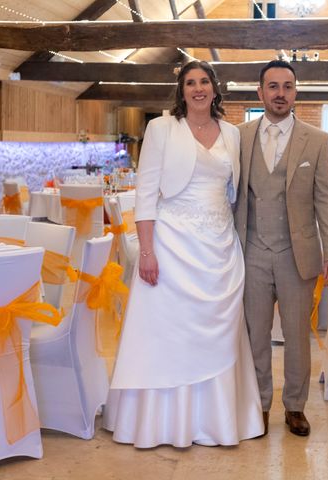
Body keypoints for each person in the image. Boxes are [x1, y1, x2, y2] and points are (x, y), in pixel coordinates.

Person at [106, 61, 264, 447]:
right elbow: (145, 193)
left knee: (222, 332)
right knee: (168, 333)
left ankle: (219, 420)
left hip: (219, 247)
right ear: (181, 91)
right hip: (171, 244)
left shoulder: (232, 133)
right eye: (190, 82)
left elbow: (234, 192)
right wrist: (146, 250)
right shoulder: (161, 128)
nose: (197, 88)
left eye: (204, 81)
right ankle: (161, 422)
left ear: (214, 89)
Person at [234, 60, 328, 437]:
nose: (281, 93)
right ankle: (258, 404)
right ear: (260, 92)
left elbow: (327, 201)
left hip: (298, 255)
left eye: (288, 86)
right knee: (254, 333)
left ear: (296, 92)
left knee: (297, 336)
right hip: (250, 253)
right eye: (273, 86)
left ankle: (295, 406)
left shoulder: (317, 140)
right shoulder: (239, 137)